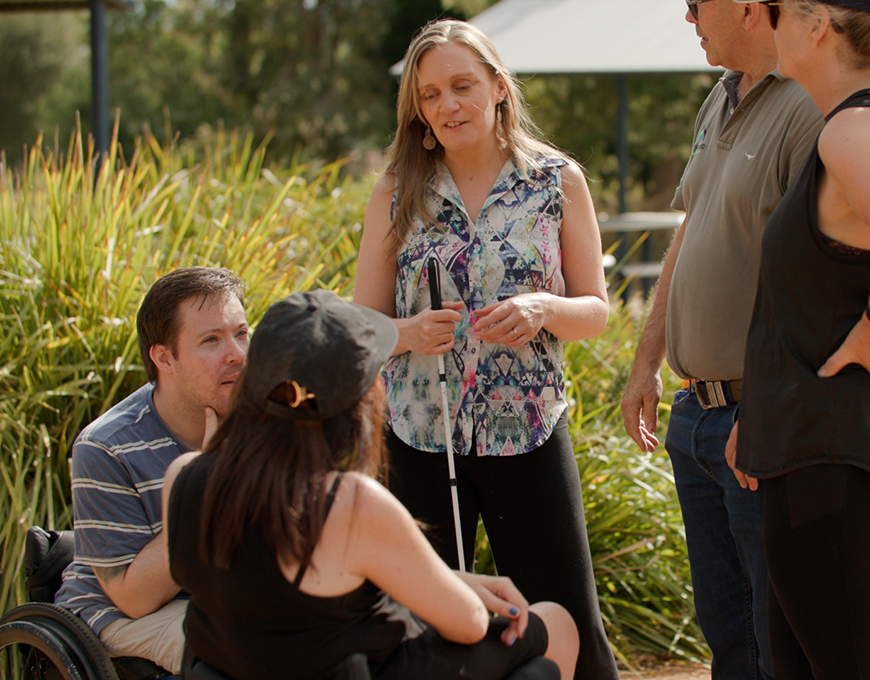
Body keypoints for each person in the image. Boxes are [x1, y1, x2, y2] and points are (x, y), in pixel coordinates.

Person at [353, 18, 615, 680]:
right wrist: (409, 333)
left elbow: (596, 311)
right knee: (423, 626)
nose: (447, 106)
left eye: (462, 86)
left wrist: (543, 309)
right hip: (419, 437)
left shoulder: (558, 181)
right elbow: (361, 321)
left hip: (527, 431)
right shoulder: (395, 191)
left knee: (569, 618)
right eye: (431, 95)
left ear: (499, 87)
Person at [162, 289, 579, 680]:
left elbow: (286, 596)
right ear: (367, 396)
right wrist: (461, 590)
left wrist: (458, 580)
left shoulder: (183, 477)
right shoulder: (349, 504)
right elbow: (468, 625)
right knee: (555, 624)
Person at [620, 1, 824, 677]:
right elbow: (692, 226)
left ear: (744, 6)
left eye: (694, 5)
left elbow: (820, 277)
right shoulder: (721, 96)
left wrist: (767, 404)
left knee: (778, 641)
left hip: (757, 421)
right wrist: (647, 360)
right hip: (696, 417)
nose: (686, 19)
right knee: (728, 639)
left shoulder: (813, 106)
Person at [724, 0, 870, 675]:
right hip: (806, 449)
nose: (764, 18)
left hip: (833, 457)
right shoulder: (841, 128)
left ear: (820, 24)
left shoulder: (852, 128)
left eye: (775, 8)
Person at [54, 266, 249, 675]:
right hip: (125, 612)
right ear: (163, 357)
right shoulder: (106, 447)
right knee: (239, 651)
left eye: (241, 333)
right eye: (211, 340)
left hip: (226, 594)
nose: (237, 354)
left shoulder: (264, 413)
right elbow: (135, 598)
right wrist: (209, 479)